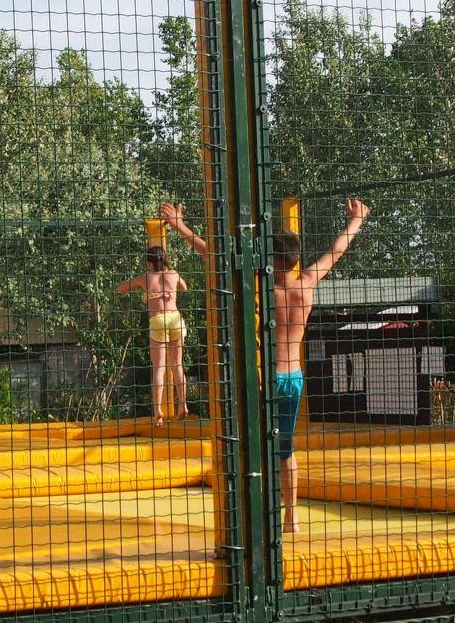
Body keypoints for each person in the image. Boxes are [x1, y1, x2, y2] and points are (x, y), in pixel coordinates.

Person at [163, 198, 371, 536]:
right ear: (295, 258)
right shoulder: (306, 283)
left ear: (270, 259)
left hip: (264, 376)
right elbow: (336, 251)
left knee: (252, 446)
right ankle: (292, 517)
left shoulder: (262, 286)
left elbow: (214, 255)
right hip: (293, 378)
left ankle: (255, 515)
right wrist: (356, 220)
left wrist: (179, 226)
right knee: (285, 448)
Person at [118, 242, 190, 423]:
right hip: (175, 318)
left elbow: (121, 288)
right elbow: (185, 287)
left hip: (158, 320)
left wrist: (140, 288)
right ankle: (182, 404)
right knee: (177, 364)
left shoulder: (145, 278)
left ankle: (158, 411)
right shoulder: (173, 274)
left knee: (159, 367)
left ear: (149, 263)